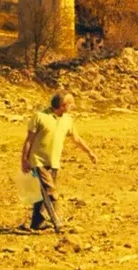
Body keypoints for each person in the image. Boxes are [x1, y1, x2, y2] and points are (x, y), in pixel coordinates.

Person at [21, 92, 98, 231]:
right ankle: (58, 222)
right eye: (71, 104)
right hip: (38, 161)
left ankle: (36, 224)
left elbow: (77, 139)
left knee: (42, 194)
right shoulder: (40, 116)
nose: (73, 106)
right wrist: (24, 160)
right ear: (63, 106)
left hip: (54, 162)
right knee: (50, 192)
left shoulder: (68, 120)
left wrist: (89, 152)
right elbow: (29, 140)